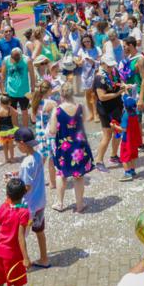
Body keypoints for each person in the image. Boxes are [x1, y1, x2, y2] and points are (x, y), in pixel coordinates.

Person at [48, 82, 94, 213]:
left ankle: (60, 203)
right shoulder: (80, 107)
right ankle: (80, 205)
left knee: (61, 174)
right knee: (79, 176)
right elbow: (84, 120)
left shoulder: (57, 110)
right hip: (79, 146)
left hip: (64, 147)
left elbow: (52, 130)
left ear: (61, 94)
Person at [14, 127, 50, 269]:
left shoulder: (26, 163)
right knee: (39, 231)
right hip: (40, 201)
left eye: (17, 143)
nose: (17, 146)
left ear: (22, 143)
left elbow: (27, 186)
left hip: (28, 206)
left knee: (20, 235)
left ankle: (23, 261)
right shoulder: (38, 156)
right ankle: (44, 258)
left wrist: (13, 188)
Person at [0, 177, 31, 286]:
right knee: (18, 281)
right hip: (13, 255)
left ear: (7, 194)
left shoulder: (4, 206)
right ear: (23, 193)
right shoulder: (24, 213)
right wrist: (26, 258)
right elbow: (20, 237)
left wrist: (3, 232)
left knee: (0, 280)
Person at [95, 53, 126, 170]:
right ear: (102, 64)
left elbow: (118, 82)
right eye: (109, 66)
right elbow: (101, 96)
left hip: (116, 106)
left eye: (112, 66)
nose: (111, 68)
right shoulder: (99, 78)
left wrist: (124, 86)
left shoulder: (114, 72)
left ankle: (113, 155)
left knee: (117, 132)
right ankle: (99, 161)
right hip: (105, 109)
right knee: (107, 135)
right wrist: (117, 93)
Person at [0, 47, 36, 128]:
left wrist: (33, 88)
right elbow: (3, 75)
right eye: (14, 58)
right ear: (11, 56)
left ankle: (25, 130)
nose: (16, 60)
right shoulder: (6, 60)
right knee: (13, 112)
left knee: (25, 111)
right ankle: (16, 130)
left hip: (24, 91)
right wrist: (2, 89)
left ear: (21, 55)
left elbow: (32, 75)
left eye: (18, 58)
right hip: (11, 90)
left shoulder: (27, 60)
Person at [0, 95, 19, 164]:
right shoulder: (10, 109)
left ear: (0, 103)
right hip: (10, 129)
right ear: (9, 103)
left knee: (4, 145)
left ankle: (6, 158)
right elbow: (16, 113)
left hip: (2, 131)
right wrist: (10, 106)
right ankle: (12, 158)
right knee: (11, 145)